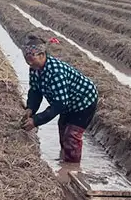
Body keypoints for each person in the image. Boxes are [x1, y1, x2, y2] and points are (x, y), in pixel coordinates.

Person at [20, 33, 99, 163]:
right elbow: (35, 91)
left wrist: (36, 120)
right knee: (62, 127)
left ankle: (72, 167)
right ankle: (65, 159)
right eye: (26, 58)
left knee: (72, 135)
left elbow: (60, 104)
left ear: (42, 54)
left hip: (83, 102)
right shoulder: (34, 68)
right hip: (67, 102)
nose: (29, 61)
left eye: (31, 57)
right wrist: (31, 108)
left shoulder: (55, 72)